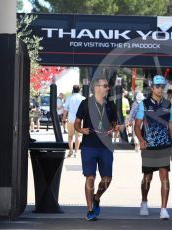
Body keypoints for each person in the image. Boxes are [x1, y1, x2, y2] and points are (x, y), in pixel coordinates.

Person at [74, 77, 118, 221]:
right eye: (105, 86)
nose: (108, 88)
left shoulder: (111, 104)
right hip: (89, 146)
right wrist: (80, 130)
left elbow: (114, 123)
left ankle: (97, 197)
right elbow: (77, 122)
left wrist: (114, 128)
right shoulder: (85, 103)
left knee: (107, 179)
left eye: (108, 86)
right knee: (90, 177)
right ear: (97, 87)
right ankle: (90, 210)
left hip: (105, 147)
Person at [134, 75, 172, 220]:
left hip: (164, 145)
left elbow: (171, 126)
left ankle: (164, 209)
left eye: (162, 86)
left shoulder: (168, 104)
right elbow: (137, 126)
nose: (160, 89)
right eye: (157, 86)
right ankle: (144, 201)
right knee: (148, 177)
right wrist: (140, 140)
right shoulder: (143, 104)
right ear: (152, 87)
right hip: (149, 146)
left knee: (164, 176)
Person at [63, 85, 85, 158]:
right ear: (79, 90)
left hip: (70, 119)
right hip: (79, 119)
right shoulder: (83, 98)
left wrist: (63, 118)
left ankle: (71, 150)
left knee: (70, 136)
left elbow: (65, 109)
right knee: (78, 136)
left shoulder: (69, 98)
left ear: (73, 90)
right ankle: (76, 152)